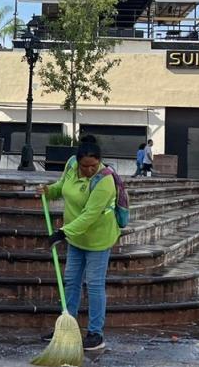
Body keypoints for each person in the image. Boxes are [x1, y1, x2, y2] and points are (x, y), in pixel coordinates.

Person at [37, 140, 120, 351]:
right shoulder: (71, 165)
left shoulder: (105, 181)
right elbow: (62, 187)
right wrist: (48, 190)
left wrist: (62, 233)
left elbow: (90, 215)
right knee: (71, 281)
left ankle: (95, 333)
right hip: (76, 238)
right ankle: (67, 328)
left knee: (94, 284)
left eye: (94, 165)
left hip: (98, 239)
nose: (90, 170)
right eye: (86, 166)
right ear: (78, 161)